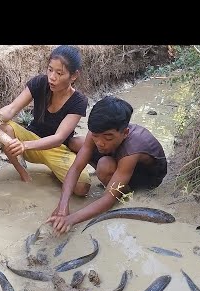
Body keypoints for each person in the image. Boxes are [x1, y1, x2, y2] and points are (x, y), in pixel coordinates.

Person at [0, 45, 91, 196]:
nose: (52, 77)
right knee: (5, 128)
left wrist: (24, 145)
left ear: (74, 76)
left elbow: (59, 138)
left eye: (59, 73)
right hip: (31, 143)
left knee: (82, 188)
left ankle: (55, 172)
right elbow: (11, 109)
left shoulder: (79, 101)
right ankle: (24, 175)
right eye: (50, 70)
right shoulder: (39, 83)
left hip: (56, 149)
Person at [47, 95, 168, 235]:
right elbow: (76, 168)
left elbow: (108, 199)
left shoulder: (132, 150)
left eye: (108, 137)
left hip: (146, 176)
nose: (100, 142)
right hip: (118, 154)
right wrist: (62, 207)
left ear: (125, 133)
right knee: (75, 142)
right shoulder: (99, 135)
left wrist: (71, 219)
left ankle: (124, 190)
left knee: (104, 166)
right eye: (96, 136)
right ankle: (112, 169)